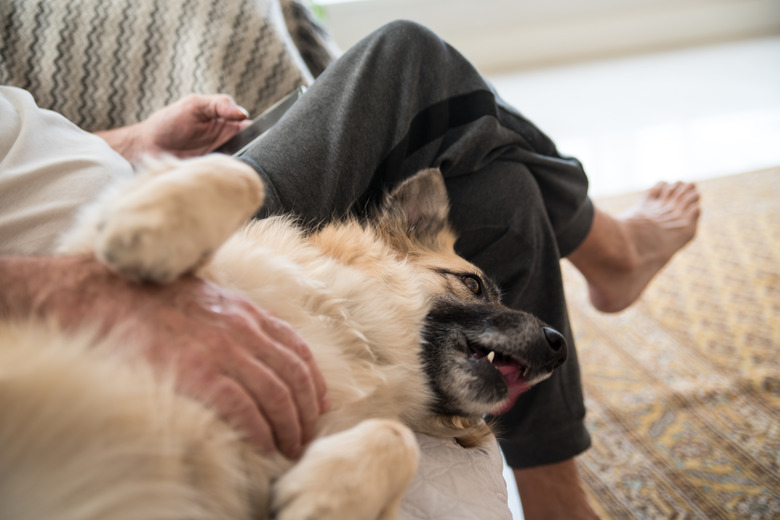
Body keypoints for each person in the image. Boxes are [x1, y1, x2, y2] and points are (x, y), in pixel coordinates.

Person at [0, 21, 700, 519]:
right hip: (125, 227)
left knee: (497, 189)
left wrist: (136, 139)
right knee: (408, 57)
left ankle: (554, 497)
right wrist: (76, 290)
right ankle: (611, 251)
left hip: (143, 173)